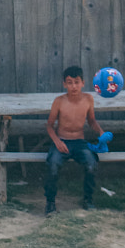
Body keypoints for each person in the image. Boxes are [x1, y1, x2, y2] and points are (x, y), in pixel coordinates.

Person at [44, 65, 104, 214]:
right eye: (69, 82)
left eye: (77, 82)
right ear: (64, 84)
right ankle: (50, 203)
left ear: (83, 83)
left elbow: (91, 121)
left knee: (91, 164)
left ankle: (88, 200)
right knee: (52, 165)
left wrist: (101, 132)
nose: (74, 86)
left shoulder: (88, 99)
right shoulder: (59, 101)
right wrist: (57, 142)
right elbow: (49, 126)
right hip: (62, 141)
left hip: (79, 143)